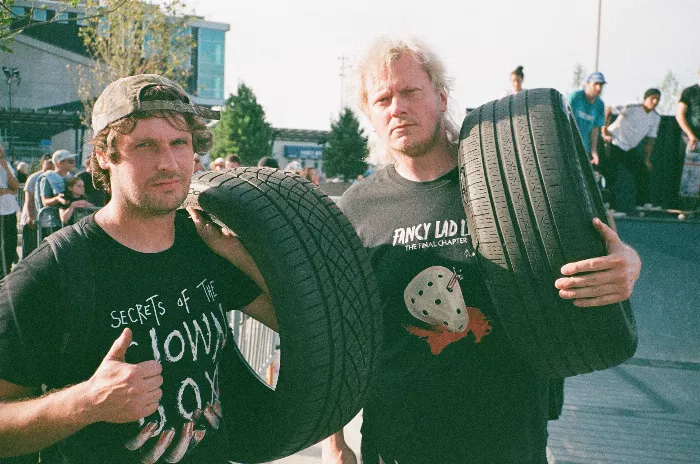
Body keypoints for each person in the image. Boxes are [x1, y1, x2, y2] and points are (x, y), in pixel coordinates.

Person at [324, 36, 641, 464]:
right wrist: (335, 442)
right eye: (382, 99)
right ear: (370, 114)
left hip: (507, 437)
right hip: (398, 441)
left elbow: (603, 244)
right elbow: (336, 333)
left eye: (410, 92)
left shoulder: (510, 183)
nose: (397, 107)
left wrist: (628, 265)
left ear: (440, 96)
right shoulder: (356, 208)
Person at [0, 74, 277, 463]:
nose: (168, 162)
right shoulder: (54, 271)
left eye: (179, 143)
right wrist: (88, 401)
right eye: (145, 145)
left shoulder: (205, 243)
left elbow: (294, 322)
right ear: (103, 155)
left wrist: (238, 254)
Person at [602, 88, 661, 211]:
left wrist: (647, 159)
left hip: (629, 149)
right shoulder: (631, 107)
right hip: (613, 143)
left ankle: (642, 204)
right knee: (611, 175)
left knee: (642, 172)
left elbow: (650, 140)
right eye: (652, 98)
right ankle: (608, 207)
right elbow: (608, 108)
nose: (655, 101)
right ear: (645, 99)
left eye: (657, 99)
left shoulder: (655, 117)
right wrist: (605, 131)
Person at [569, 72, 607, 166]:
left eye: (601, 85)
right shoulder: (575, 97)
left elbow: (595, 129)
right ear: (587, 84)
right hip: (569, 143)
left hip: (584, 147)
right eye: (596, 84)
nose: (599, 88)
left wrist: (594, 151)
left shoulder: (600, 104)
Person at [19, 154, 53, 257]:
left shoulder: (53, 176)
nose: (52, 165)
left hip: (46, 221)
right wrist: (30, 216)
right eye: (49, 162)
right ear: (43, 163)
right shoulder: (33, 178)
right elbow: (28, 199)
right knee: (30, 251)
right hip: (33, 218)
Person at [676, 66, 700, 202]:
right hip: (692, 139)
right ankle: (686, 203)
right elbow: (680, 115)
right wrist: (691, 135)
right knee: (690, 174)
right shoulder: (690, 92)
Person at [0, 145, 20, 278]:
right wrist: (7, 190)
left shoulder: (5, 166)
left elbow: (15, 186)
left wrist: (6, 167)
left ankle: (5, 275)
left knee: (10, 246)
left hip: (9, 212)